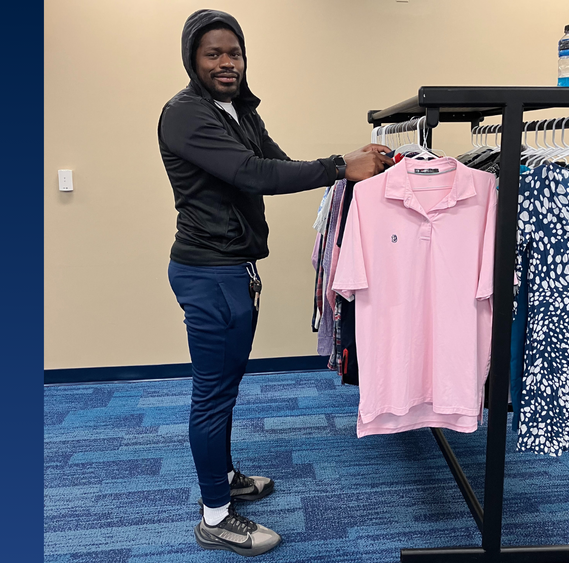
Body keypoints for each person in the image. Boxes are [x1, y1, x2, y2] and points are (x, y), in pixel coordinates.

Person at [157, 9, 393, 557]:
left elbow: (277, 164)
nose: (226, 62)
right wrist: (339, 164)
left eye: (234, 53)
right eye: (213, 53)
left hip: (233, 270)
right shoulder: (184, 114)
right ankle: (215, 516)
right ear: (193, 58)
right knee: (213, 394)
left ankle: (225, 476)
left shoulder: (236, 109)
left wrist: (352, 170)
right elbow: (250, 174)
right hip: (208, 272)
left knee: (226, 388)